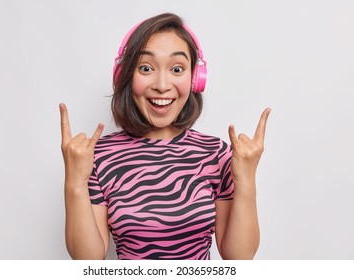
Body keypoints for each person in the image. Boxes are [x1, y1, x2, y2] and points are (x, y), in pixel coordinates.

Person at [59, 13, 270, 260]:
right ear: (125, 75)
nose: (161, 84)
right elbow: (88, 262)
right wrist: (74, 181)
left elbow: (239, 258)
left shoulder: (216, 153)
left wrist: (246, 180)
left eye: (177, 69)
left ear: (195, 79)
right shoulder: (99, 156)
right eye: (146, 68)